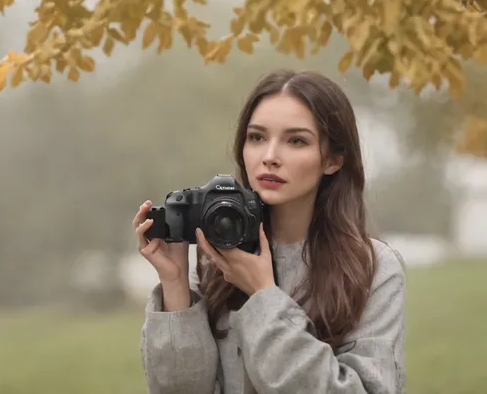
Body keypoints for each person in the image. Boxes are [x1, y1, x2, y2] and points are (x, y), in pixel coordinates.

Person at [132, 69, 406, 394]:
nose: (270, 157)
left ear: (332, 160)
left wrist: (263, 295)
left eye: (296, 141)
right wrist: (176, 283)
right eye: (257, 137)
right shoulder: (216, 257)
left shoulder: (371, 267)